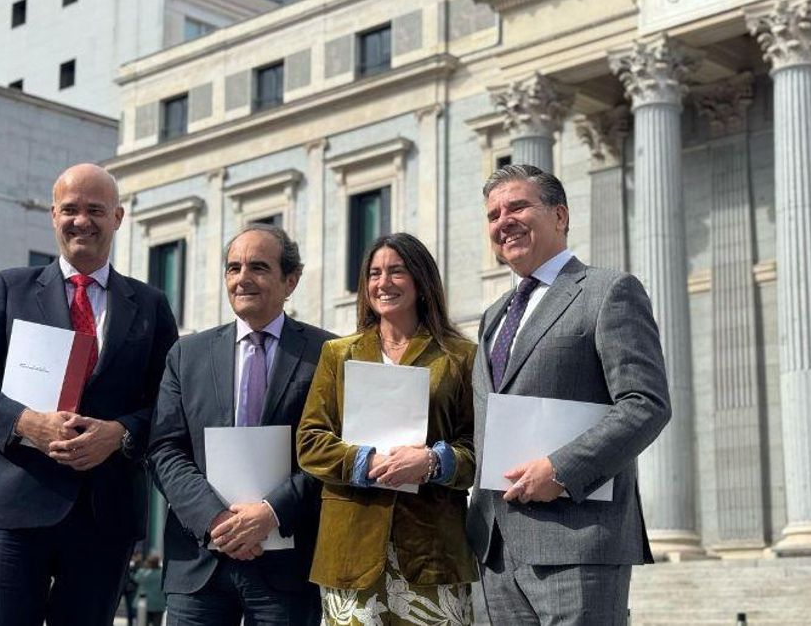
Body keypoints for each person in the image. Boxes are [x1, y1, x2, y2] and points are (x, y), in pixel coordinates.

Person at [0, 164, 178, 626]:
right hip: (10, 511)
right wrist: (26, 422)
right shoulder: (9, 289)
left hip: (103, 516)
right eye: (70, 209)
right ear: (53, 215)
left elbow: (170, 405)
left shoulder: (150, 305)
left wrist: (121, 432)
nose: (81, 220)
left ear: (118, 217)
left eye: (95, 210)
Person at [466, 164, 671, 625]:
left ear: (560, 216)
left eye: (518, 206)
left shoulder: (608, 291)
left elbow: (646, 404)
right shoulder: (492, 316)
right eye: (494, 214)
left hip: (577, 542)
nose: (504, 221)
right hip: (494, 552)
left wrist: (561, 468)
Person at [148, 224, 334, 625]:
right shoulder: (187, 354)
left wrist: (270, 513)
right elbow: (164, 449)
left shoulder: (328, 354)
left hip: (288, 569)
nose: (242, 278)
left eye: (258, 267)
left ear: (291, 280)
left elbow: (333, 452)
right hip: (200, 563)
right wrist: (215, 519)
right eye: (233, 268)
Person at [298, 232, 478, 624]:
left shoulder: (461, 356)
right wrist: (366, 461)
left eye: (396, 271)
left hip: (433, 550)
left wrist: (433, 461)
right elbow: (309, 442)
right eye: (374, 273)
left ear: (420, 280)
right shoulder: (337, 354)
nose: (383, 283)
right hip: (350, 548)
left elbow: (479, 447)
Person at [134, 555, 167, 626]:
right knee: (157, 624)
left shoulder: (143, 572)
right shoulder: (162, 573)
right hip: (159, 604)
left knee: (143, 623)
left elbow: (136, 578)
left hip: (145, 604)